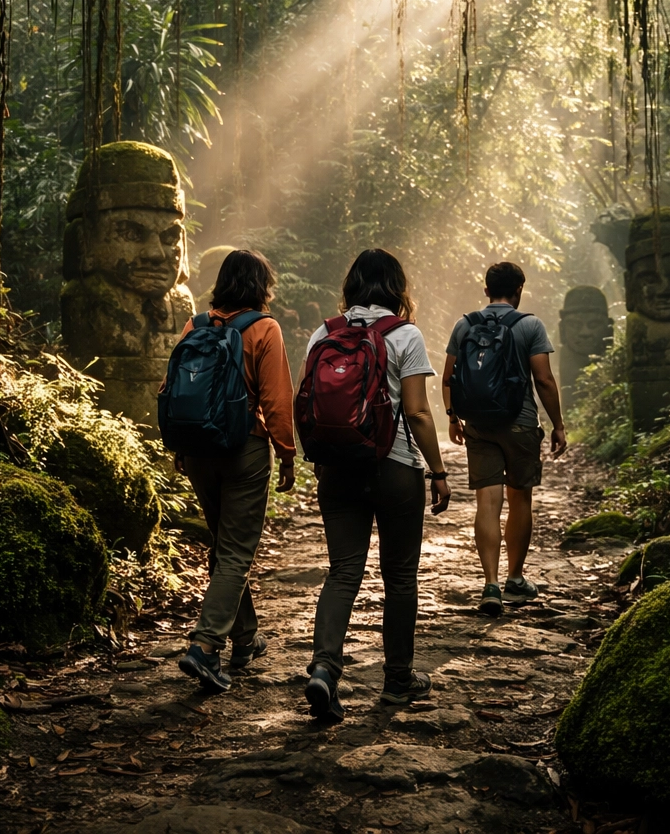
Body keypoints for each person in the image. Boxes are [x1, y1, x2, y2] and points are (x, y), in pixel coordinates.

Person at [303, 249, 452, 722]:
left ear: (351, 286)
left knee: (343, 572)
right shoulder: (405, 334)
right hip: (395, 470)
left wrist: (318, 459)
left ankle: (325, 670)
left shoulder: (323, 333)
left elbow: (304, 401)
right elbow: (418, 412)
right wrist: (439, 471)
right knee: (400, 577)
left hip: (338, 470)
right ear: (396, 286)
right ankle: (397, 681)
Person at [173, 250, 297, 692]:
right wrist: (287, 453)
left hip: (198, 451)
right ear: (261, 286)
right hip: (243, 448)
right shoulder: (264, 328)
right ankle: (205, 647)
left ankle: (245, 639)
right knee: (235, 552)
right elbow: (277, 400)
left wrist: (180, 447)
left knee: (225, 547)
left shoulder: (196, 325)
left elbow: (175, 391)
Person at [442, 261, 566, 617]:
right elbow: (543, 380)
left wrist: (453, 417)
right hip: (520, 424)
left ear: (486, 290)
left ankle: (491, 583)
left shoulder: (464, 324)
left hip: (478, 425)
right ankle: (515, 578)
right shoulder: (530, 325)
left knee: (487, 502)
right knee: (520, 498)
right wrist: (557, 424)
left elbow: (449, 377)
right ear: (519, 290)